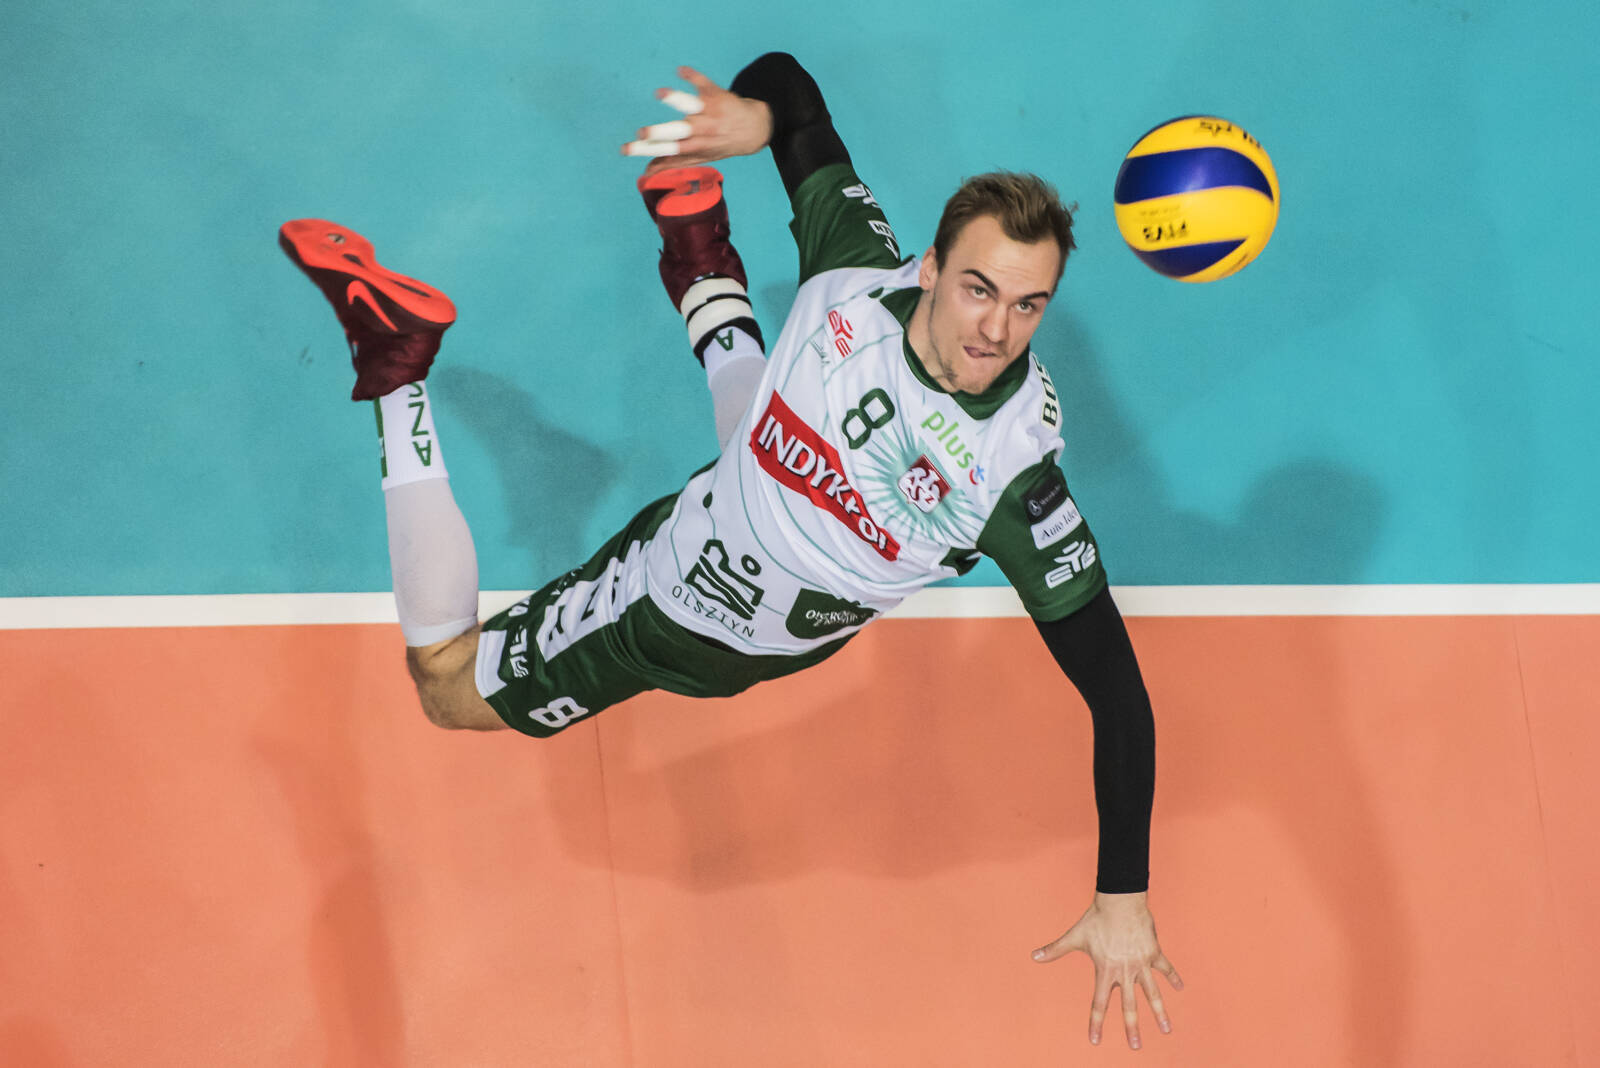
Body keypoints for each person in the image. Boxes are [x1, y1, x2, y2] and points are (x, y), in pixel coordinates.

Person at [279, 51, 1182, 1051]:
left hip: (743, 579)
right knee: (448, 688)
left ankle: (699, 249)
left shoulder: (1012, 480)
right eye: (979, 288)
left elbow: (1118, 694)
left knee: (760, 430)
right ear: (926, 267)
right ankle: (396, 365)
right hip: (676, 600)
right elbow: (790, 86)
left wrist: (1123, 892)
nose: (997, 329)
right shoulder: (852, 265)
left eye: (1028, 305)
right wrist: (758, 118)